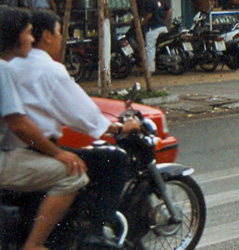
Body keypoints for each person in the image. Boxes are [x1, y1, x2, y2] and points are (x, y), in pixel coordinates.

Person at [8, 10, 145, 247]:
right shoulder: (49, 69)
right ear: (48, 36)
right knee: (113, 160)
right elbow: (81, 114)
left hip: (19, 149)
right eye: (60, 33)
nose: (62, 40)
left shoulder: (11, 65)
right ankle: (95, 231)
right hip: (35, 149)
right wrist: (118, 128)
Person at [0, 8, 89, 250]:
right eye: (28, 34)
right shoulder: (3, 70)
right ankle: (34, 245)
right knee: (73, 175)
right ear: (13, 36)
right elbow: (19, 124)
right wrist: (58, 153)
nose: (31, 39)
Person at [140, 0, 169, 73]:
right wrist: (164, 21)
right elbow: (169, 10)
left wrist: (141, 23)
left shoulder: (149, 2)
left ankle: (150, 69)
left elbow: (149, 15)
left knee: (150, 48)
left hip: (153, 29)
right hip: (163, 27)